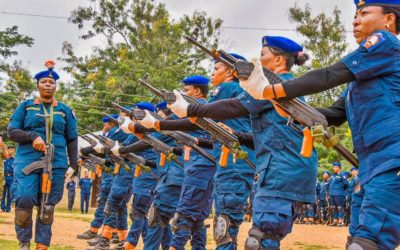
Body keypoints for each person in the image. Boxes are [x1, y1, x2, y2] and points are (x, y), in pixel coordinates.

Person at [239, 1, 400, 248]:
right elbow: (334, 114)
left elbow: (328, 75)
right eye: (355, 15)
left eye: (364, 13)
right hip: (372, 167)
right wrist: (291, 108)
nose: (355, 20)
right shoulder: (364, 74)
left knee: (368, 243)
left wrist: (271, 90)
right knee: (358, 241)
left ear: (389, 20)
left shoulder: (385, 44)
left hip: (391, 161)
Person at [167, 38, 317, 249]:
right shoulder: (274, 88)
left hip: (281, 169)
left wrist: (180, 115)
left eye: (263, 54)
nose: (258, 60)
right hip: (274, 168)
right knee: (247, 234)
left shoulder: (274, 87)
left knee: (256, 237)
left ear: (279, 60)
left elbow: (231, 107)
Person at [131, 76, 216, 250]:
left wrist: (149, 125)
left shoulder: (199, 112)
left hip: (182, 175)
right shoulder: (200, 112)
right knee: (194, 220)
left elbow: (152, 137)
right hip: (191, 173)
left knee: (166, 217)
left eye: (186, 90)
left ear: (197, 91)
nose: (183, 94)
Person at [7, 61, 78, 250]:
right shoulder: (26, 107)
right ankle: (24, 243)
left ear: (55, 86)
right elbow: (12, 131)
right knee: (24, 196)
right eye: (44, 82)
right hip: (27, 160)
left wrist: (74, 165)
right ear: (38, 85)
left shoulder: (64, 110)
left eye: (51, 82)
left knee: (47, 205)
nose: (48, 85)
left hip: (56, 161)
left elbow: (72, 139)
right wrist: (32, 136)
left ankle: (42, 245)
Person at [77, 114, 121, 241]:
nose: (104, 126)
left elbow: (102, 150)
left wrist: (84, 152)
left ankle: (100, 231)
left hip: (112, 171)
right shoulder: (109, 134)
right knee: (109, 202)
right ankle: (113, 232)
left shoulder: (114, 134)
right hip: (109, 170)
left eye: (106, 124)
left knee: (107, 201)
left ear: (112, 124)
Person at [328, 162, 348, 226]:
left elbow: (346, 184)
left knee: (340, 207)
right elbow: (329, 185)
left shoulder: (342, 175)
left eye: (336, 167)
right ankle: (335, 220)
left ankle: (340, 221)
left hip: (339, 193)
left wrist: (341, 191)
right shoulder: (332, 176)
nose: (334, 168)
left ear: (339, 168)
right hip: (332, 193)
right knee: (334, 207)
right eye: (333, 167)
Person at [2, 145, 14, 212]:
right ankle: (2, 208)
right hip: (4, 177)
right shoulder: (4, 159)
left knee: (10, 194)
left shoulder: (15, 160)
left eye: (12, 150)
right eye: (9, 149)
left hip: (11, 178)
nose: (10, 151)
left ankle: (8, 208)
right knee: (3, 193)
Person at [0, 135, 10, 209]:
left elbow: (7, 157)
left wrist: (2, 146)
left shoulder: (4, 146)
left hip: (0, 172)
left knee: (0, 189)